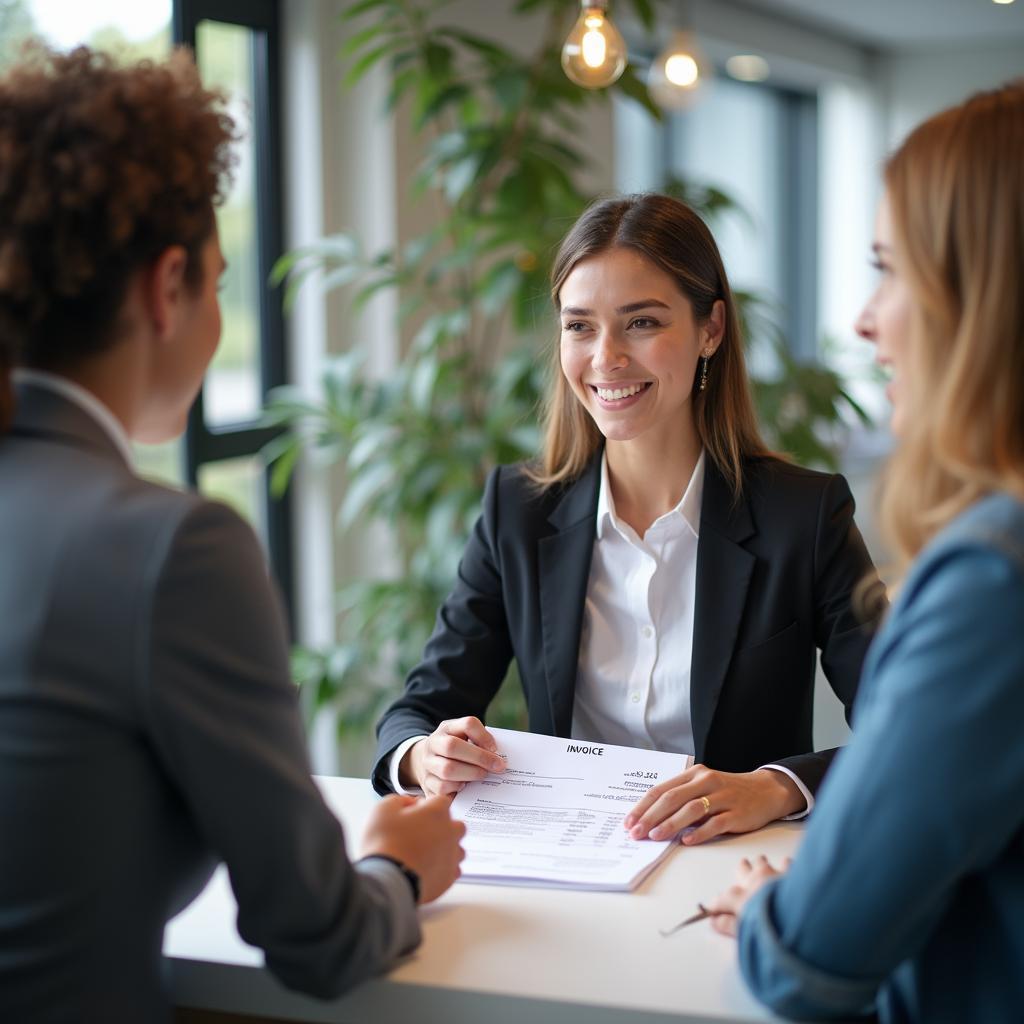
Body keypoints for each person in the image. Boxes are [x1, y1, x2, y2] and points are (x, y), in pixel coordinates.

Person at [0, 46, 464, 1023]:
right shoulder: (170, 548)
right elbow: (319, 935)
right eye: (216, 281)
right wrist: (396, 864)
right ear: (167, 288)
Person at [374, 192, 881, 845]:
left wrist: (775, 786)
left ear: (711, 330)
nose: (606, 357)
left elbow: (907, 728)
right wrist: (424, 755)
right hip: (571, 867)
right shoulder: (518, 511)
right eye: (579, 326)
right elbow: (417, 712)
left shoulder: (804, 516)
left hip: (734, 869)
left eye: (642, 323)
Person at [707, 81, 1024, 1023]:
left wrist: (771, 908)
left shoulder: (992, 582)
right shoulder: (517, 509)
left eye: (892, 269)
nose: (864, 319)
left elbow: (811, 961)